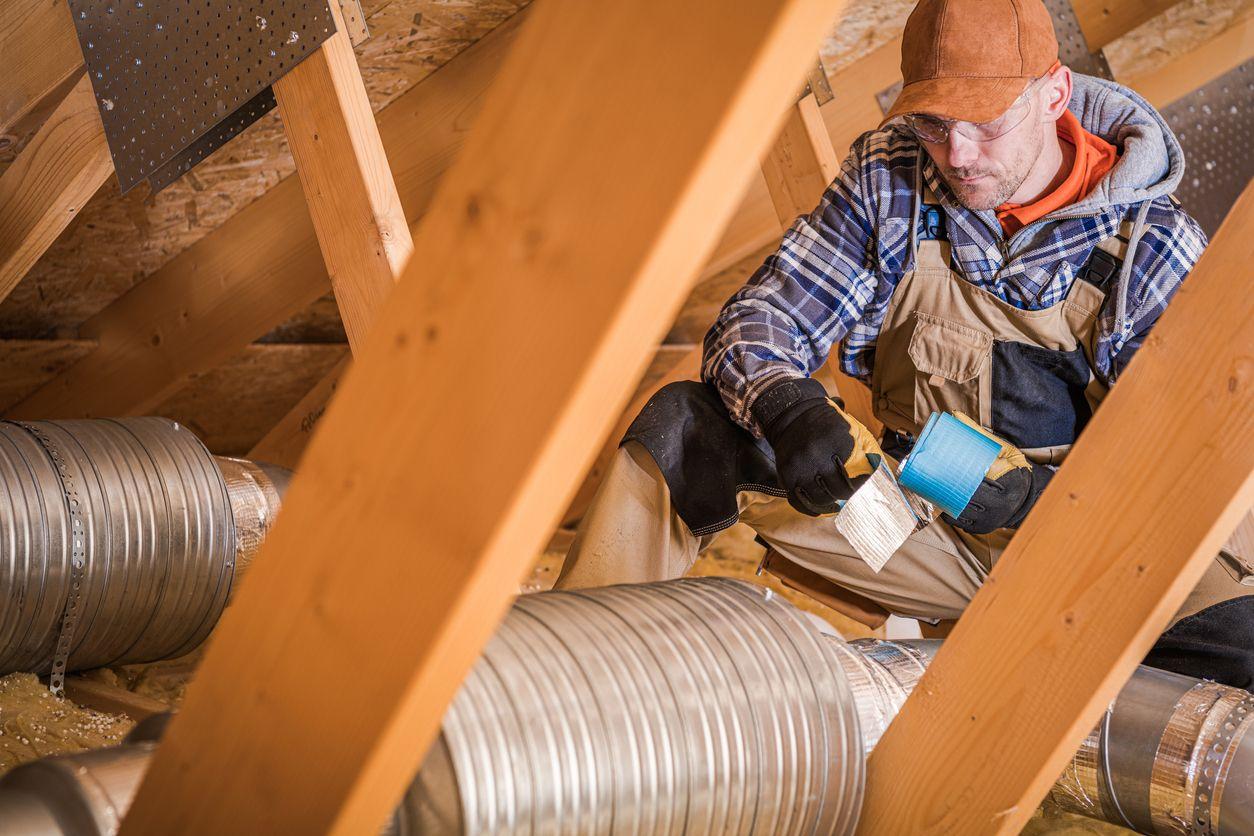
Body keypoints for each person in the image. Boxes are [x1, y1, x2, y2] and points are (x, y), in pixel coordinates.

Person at [556, 0, 1253, 686]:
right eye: (933, 124)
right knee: (687, 430)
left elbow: (1186, 472)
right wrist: (789, 408)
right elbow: (764, 318)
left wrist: (1036, 501)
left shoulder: (1151, 247)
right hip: (918, 529)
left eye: (984, 125)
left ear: (1054, 94)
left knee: (1239, 654)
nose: (958, 155)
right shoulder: (892, 175)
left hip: (1104, 554)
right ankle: (568, 686)